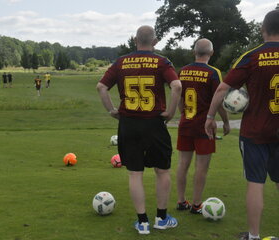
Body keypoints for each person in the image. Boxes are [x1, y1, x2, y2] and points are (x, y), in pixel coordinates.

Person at [97, 25, 182, 235]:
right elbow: (177, 86)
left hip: (129, 123)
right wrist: (171, 112)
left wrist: (112, 111)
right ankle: (161, 219)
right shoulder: (162, 61)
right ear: (155, 41)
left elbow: (101, 87)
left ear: (135, 40)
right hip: (154, 122)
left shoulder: (120, 62)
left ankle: (142, 222)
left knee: (135, 173)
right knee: (162, 171)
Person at [205, 10, 279, 240]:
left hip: (255, 131)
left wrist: (210, 117)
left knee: (256, 182)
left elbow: (222, 89)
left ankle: (254, 236)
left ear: (262, 30)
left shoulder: (252, 56)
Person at [176, 39, 230, 214]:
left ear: (194, 52)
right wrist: (226, 121)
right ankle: (197, 204)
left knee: (182, 164)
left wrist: (182, 113)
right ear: (211, 53)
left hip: (186, 123)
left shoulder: (183, 71)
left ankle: (181, 201)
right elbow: (219, 100)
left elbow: (179, 99)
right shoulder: (213, 72)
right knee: (201, 167)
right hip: (204, 127)